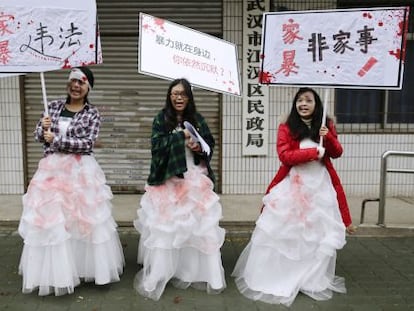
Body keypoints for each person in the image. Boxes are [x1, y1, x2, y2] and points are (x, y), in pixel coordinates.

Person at [232, 87, 356, 307]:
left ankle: (310, 278)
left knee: (315, 233)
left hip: (320, 187)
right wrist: (311, 153)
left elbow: (337, 152)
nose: (303, 104)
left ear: (316, 104)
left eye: (308, 100)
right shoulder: (287, 125)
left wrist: (328, 139)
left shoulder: (325, 125)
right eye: (299, 100)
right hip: (294, 186)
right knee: (288, 231)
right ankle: (282, 275)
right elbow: (285, 155)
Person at [18, 66, 125, 296]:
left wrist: (55, 139)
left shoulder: (92, 113)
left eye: (82, 83)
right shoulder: (54, 105)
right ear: (68, 84)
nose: (76, 86)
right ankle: (58, 272)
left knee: (84, 220)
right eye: (73, 81)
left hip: (81, 172)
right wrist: (43, 129)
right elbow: (39, 135)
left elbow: (87, 143)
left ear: (88, 88)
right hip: (53, 172)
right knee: (56, 221)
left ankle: (89, 269)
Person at [133, 78, 226, 301]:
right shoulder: (161, 119)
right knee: (167, 228)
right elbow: (156, 146)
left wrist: (197, 147)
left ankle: (192, 271)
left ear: (189, 98)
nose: (178, 98)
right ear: (169, 95)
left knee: (197, 227)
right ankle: (161, 272)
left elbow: (209, 146)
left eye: (183, 94)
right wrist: (180, 136)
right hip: (168, 179)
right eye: (175, 93)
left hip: (194, 179)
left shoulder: (197, 119)